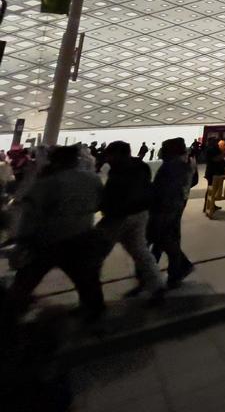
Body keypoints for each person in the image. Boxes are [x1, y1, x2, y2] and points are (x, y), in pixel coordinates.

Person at [2, 146, 106, 330]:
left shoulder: (49, 182)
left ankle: (8, 317)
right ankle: (94, 311)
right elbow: (99, 204)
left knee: (26, 280)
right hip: (82, 235)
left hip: (49, 239)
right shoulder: (92, 178)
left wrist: (21, 237)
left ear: (55, 160)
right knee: (86, 278)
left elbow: (31, 212)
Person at [96, 141, 165, 302]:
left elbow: (114, 194)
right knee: (140, 251)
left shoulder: (121, 170)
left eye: (110, 154)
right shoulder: (141, 167)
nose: (107, 158)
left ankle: (91, 297)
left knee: (96, 253)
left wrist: (105, 207)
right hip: (141, 213)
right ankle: (156, 285)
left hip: (119, 216)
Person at [149, 138, 196, 289]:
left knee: (163, 239)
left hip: (166, 208)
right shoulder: (185, 165)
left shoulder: (174, 166)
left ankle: (174, 270)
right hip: (176, 206)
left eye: (164, 147)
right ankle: (172, 271)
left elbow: (163, 189)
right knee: (167, 240)